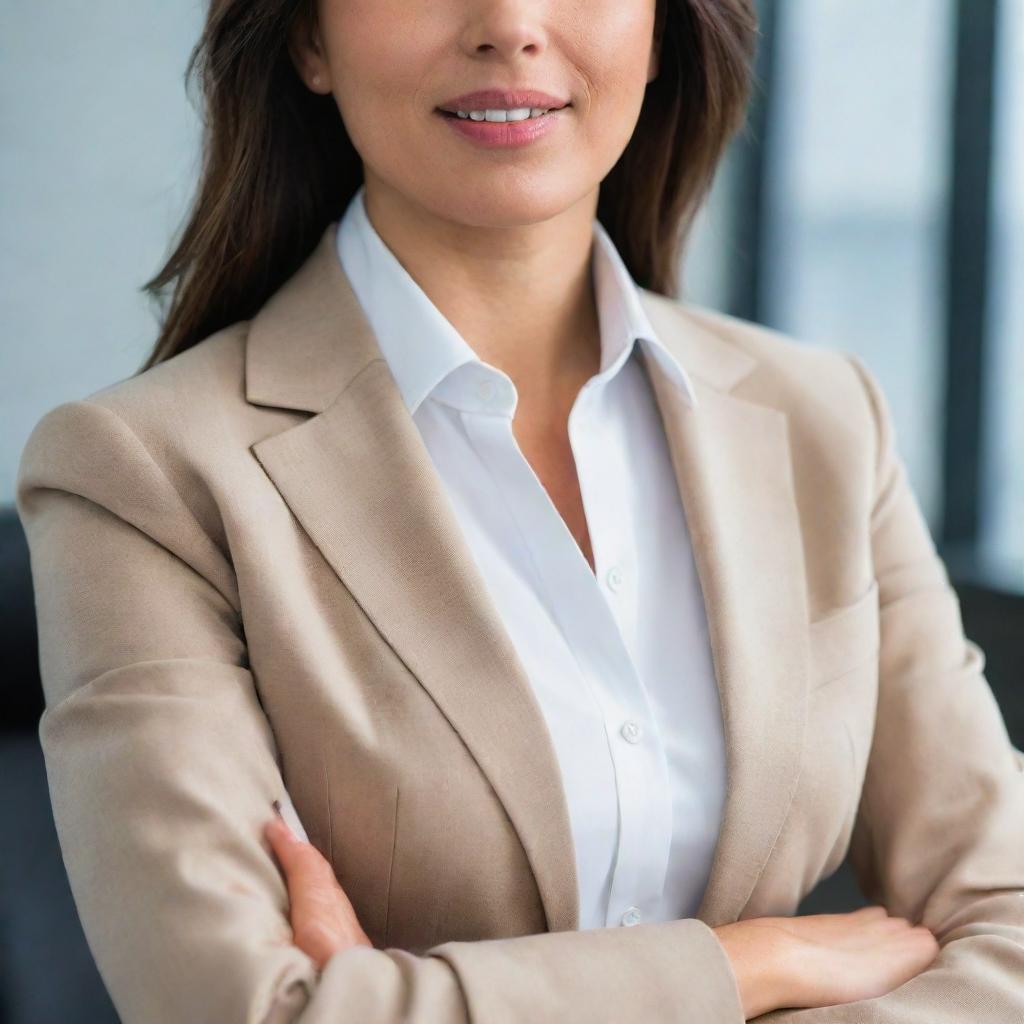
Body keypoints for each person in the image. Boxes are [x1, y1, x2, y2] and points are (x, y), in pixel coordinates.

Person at [16, 0, 1024, 1021]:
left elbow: (1013, 920)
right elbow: (243, 1009)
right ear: (308, 39)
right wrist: (747, 966)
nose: (509, 23)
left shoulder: (821, 420)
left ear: (663, 28)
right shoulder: (143, 474)